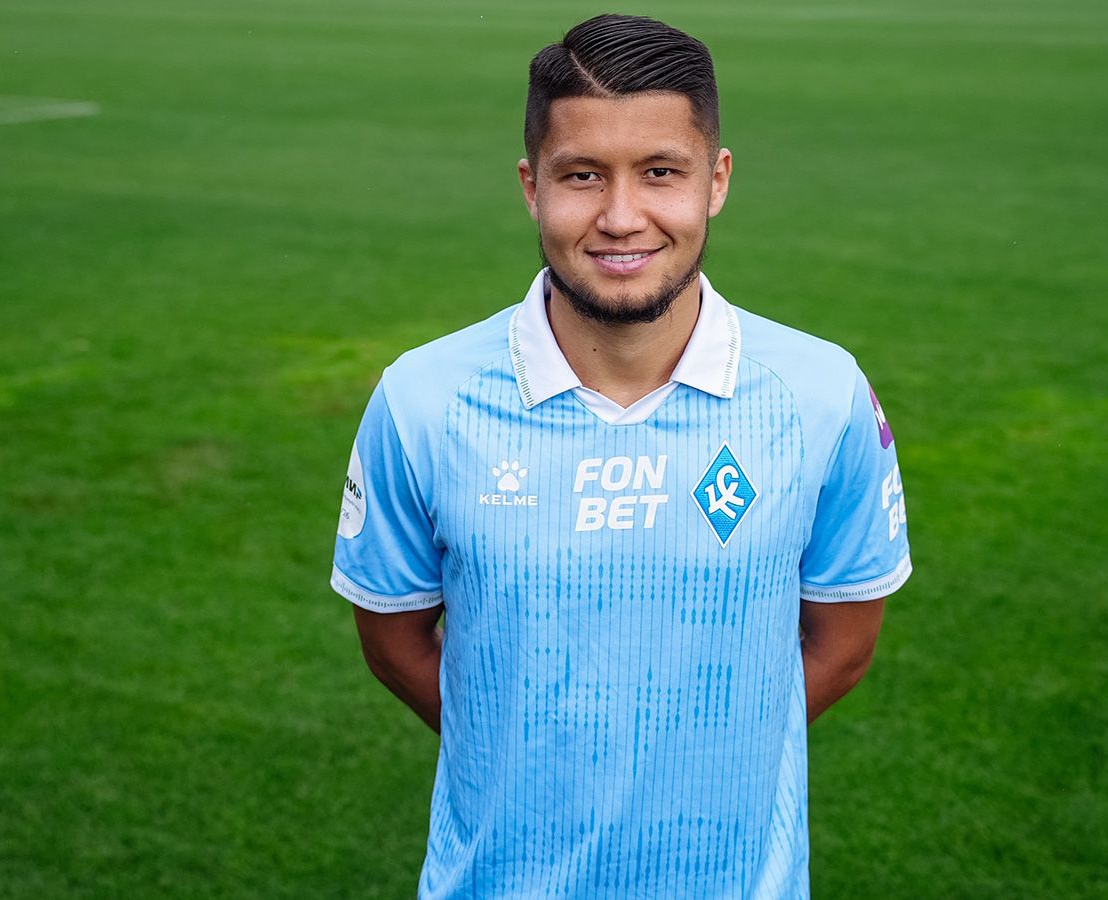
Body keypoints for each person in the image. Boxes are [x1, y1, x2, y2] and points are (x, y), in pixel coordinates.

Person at [330, 13, 911, 897]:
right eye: (582, 175)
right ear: (531, 186)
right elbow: (392, 640)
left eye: (661, 172)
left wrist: (698, 757)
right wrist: (528, 752)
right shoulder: (423, 400)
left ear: (716, 181)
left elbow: (844, 643)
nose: (621, 217)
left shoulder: (821, 395)